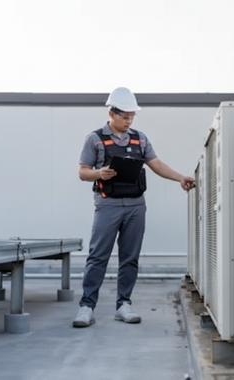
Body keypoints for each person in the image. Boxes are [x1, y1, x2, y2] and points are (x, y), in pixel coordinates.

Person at [73, 87, 196, 328]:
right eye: (125, 116)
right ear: (111, 113)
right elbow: (82, 172)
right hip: (107, 205)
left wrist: (180, 177)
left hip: (136, 206)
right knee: (98, 256)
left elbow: (156, 164)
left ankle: (123, 305)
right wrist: (100, 173)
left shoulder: (140, 139)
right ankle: (87, 307)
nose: (129, 121)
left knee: (130, 257)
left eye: (132, 117)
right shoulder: (95, 138)